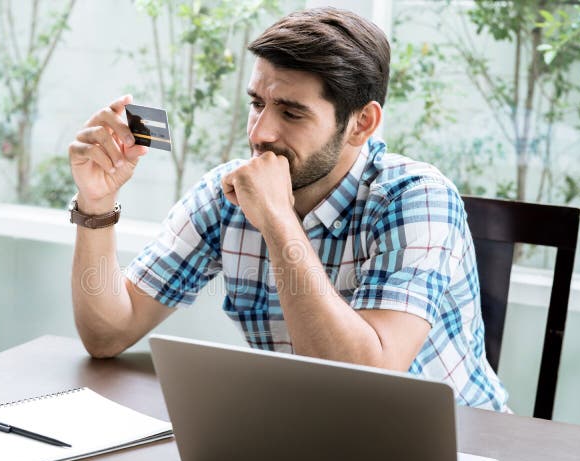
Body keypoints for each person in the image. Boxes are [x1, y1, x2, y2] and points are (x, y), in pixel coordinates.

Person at [67, 7, 509, 411]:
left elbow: (367, 386)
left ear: (362, 123)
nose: (261, 133)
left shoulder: (416, 197)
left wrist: (278, 222)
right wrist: (96, 202)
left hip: (456, 449)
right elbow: (108, 333)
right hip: (309, 437)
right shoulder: (225, 194)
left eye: (292, 114)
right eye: (257, 104)